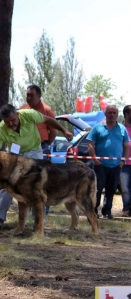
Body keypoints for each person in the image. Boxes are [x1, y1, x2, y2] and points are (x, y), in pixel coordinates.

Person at [0, 104, 73, 227]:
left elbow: (49, 120)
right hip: (14, 156)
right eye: (7, 122)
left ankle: (39, 220)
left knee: (38, 188)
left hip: (33, 152)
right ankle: (0, 218)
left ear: (17, 114)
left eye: (13, 120)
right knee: (6, 188)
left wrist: (64, 130)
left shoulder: (29, 114)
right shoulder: (1, 129)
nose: (11, 124)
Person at [87, 105, 130, 219]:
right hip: (100, 164)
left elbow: (126, 146)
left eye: (114, 113)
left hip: (116, 165)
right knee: (97, 189)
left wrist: (123, 161)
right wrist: (95, 160)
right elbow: (90, 145)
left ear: (117, 114)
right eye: (109, 112)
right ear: (105, 114)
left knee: (111, 189)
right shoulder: (97, 127)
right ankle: (94, 211)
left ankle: (107, 212)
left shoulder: (122, 129)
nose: (112, 114)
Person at [21, 84, 58, 216]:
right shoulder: (22, 109)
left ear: (39, 96)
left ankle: (42, 215)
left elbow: (53, 131)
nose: (28, 98)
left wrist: (46, 144)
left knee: (43, 181)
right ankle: (26, 212)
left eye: (32, 95)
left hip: (42, 147)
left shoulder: (46, 110)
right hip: (25, 149)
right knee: (26, 181)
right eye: (27, 95)